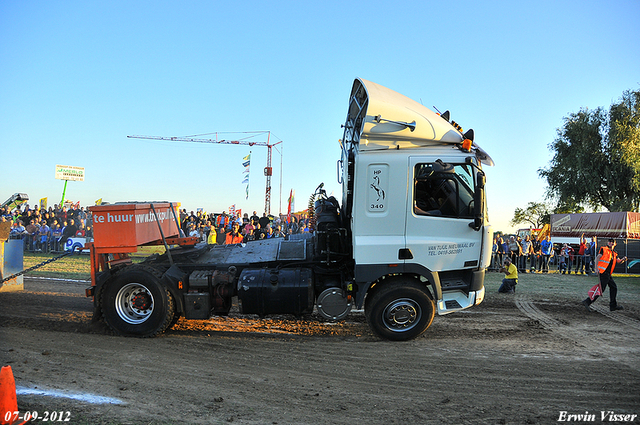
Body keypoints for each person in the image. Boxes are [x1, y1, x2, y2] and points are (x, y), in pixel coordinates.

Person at [582, 238, 627, 312]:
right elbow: (597, 258)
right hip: (603, 272)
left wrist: (623, 259)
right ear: (608, 243)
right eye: (610, 242)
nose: (611, 243)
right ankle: (588, 301)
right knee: (601, 289)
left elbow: (619, 261)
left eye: (613, 242)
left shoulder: (614, 253)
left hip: (608, 274)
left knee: (613, 287)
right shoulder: (604, 249)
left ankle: (613, 306)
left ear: (615, 244)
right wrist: (596, 268)